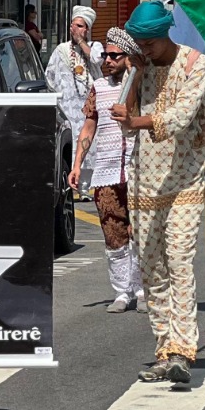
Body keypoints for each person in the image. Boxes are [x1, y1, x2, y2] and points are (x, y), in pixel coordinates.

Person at [117, 0, 205, 386]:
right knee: (151, 268)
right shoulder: (139, 67)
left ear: (166, 34)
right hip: (144, 179)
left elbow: (179, 117)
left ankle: (183, 350)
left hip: (185, 180)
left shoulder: (196, 63)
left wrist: (137, 119)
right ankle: (164, 349)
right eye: (139, 43)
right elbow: (125, 121)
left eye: (149, 43)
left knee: (178, 261)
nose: (144, 49)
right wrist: (135, 77)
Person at [72, 28, 144, 313]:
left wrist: (133, 73)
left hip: (138, 170)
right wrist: (77, 164)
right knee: (113, 232)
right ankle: (122, 292)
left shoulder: (140, 85)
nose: (108, 60)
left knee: (139, 231)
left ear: (127, 58)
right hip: (106, 171)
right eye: (105, 56)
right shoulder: (98, 88)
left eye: (115, 56)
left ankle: (141, 288)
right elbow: (88, 127)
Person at [48, 7, 102, 184]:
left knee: (89, 145)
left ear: (87, 29)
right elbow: (50, 77)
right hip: (68, 110)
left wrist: (81, 42)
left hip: (88, 110)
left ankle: (87, 185)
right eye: (73, 25)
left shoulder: (95, 47)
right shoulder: (62, 50)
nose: (75, 29)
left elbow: (96, 59)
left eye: (80, 26)